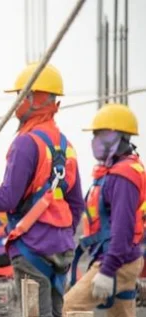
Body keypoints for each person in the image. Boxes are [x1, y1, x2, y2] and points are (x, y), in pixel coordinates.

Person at [0, 63, 85, 317]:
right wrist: (62, 235)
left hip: (33, 249)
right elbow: (77, 204)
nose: (16, 103)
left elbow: (7, 198)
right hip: (62, 249)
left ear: (33, 98)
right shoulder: (66, 146)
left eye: (21, 95)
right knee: (55, 312)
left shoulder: (26, 143)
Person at [63, 104, 146, 316]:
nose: (97, 141)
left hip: (117, 260)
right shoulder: (115, 172)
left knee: (70, 307)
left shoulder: (123, 177)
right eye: (96, 135)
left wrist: (108, 271)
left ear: (122, 138)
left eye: (104, 134)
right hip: (124, 258)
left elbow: (123, 229)